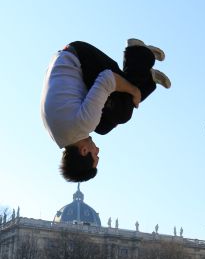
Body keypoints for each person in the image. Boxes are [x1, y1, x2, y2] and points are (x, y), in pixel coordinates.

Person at [41, 38, 171, 182]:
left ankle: (139, 53)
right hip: (66, 61)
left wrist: (134, 91)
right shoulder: (59, 137)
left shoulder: (82, 124)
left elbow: (108, 79)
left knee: (122, 112)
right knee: (104, 127)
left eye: (96, 156)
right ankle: (146, 75)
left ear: (84, 151)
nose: (98, 151)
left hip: (81, 56)